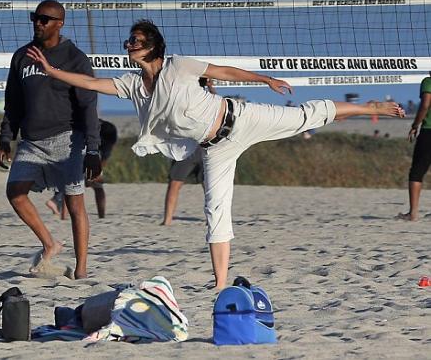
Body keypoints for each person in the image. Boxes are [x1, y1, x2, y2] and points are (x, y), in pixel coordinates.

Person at [26, 19, 405, 289]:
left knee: (304, 116)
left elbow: (225, 71)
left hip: (240, 119)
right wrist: (51, 70)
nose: (129, 45)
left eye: (136, 40)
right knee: (215, 210)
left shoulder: (180, 66)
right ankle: (221, 281)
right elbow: (91, 82)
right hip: (214, 148)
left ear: (153, 46)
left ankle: (368, 106)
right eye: (128, 40)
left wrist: (265, 79)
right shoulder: (132, 85)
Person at [0, 0, 102, 279]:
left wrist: (94, 150)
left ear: (59, 23)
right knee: (15, 193)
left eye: (44, 19)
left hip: (68, 140)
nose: (38, 23)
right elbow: (13, 103)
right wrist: (6, 138)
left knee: (75, 205)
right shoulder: (22, 57)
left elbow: (88, 105)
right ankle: (49, 243)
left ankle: (81, 270)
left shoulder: (75, 58)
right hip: (32, 142)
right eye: (35, 18)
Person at [161, 77, 215, 226]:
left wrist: (210, 87)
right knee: (175, 183)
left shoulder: (207, 101)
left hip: (204, 147)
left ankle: (212, 219)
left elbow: (216, 104)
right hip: (185, 148)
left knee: (209, 186)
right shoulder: (183, 100)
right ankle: (167, 220)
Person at [46, 118, 118, 219]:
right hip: (79, 146)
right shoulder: (105, 137)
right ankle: (101, 216)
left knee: (70, 183)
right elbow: (104, 159)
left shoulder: (92, 126)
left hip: (74, 144)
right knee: (95, 186)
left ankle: (62, 213)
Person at [396, 71, 431, 221]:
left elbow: (425, 105)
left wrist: (415, 125)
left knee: (416, 172)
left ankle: (413, 213)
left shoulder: (428, 81)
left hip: (429, 131)